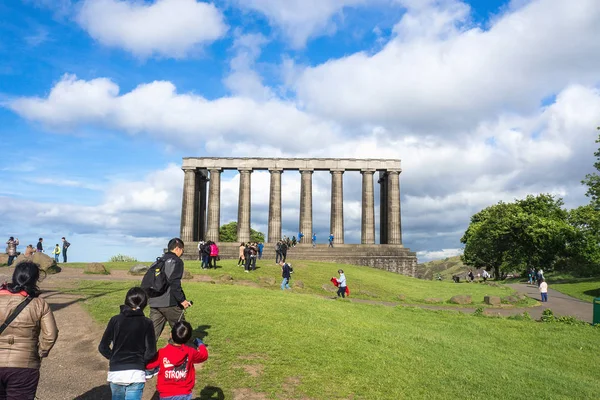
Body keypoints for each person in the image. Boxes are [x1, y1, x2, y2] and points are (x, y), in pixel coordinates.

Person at [0, 261, 58, 399]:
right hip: (25, 366)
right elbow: (51, 335)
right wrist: (40, 352)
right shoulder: (39, 304)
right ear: (35, 279)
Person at [98, 287, 157, 400]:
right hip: (136, 372)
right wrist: (139, 360)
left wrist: (114, 357)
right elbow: (151, 351)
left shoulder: (115, 320)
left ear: (127, 301)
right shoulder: (147, 322)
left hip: (117, 371)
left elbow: (103, 347)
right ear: (144, 303)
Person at [146, 321, 208, 400]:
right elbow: (204, 356)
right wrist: (201, 344)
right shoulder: (190, 352)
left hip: (166, 393)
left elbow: (149, 365)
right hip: (184, 393)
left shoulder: (162, 352)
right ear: (188, 338)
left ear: (171, 335)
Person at [148, 238, 192, 342]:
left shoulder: (157, 261)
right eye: (182, 250)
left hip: (154, 302)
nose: (182, 253)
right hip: (169, 303)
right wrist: (182, 300)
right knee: (182, 332)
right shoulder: (177, 262)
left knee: (151, 335)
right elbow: (174, 282)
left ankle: (144, 356)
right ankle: (184, 356)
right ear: (177, 248)